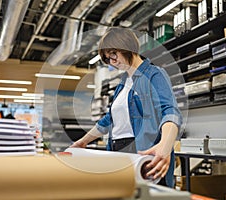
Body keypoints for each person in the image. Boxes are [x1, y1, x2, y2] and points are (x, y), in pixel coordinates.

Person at [70, 27, 182, 188]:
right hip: (118, 151)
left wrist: (165, 145)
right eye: (108, 59)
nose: (112, 62)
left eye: (113, 54)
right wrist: (82, 142)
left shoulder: (154, 74)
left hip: (143, 153)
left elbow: (170, 111)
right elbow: (109, 119)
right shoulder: (122, 84)